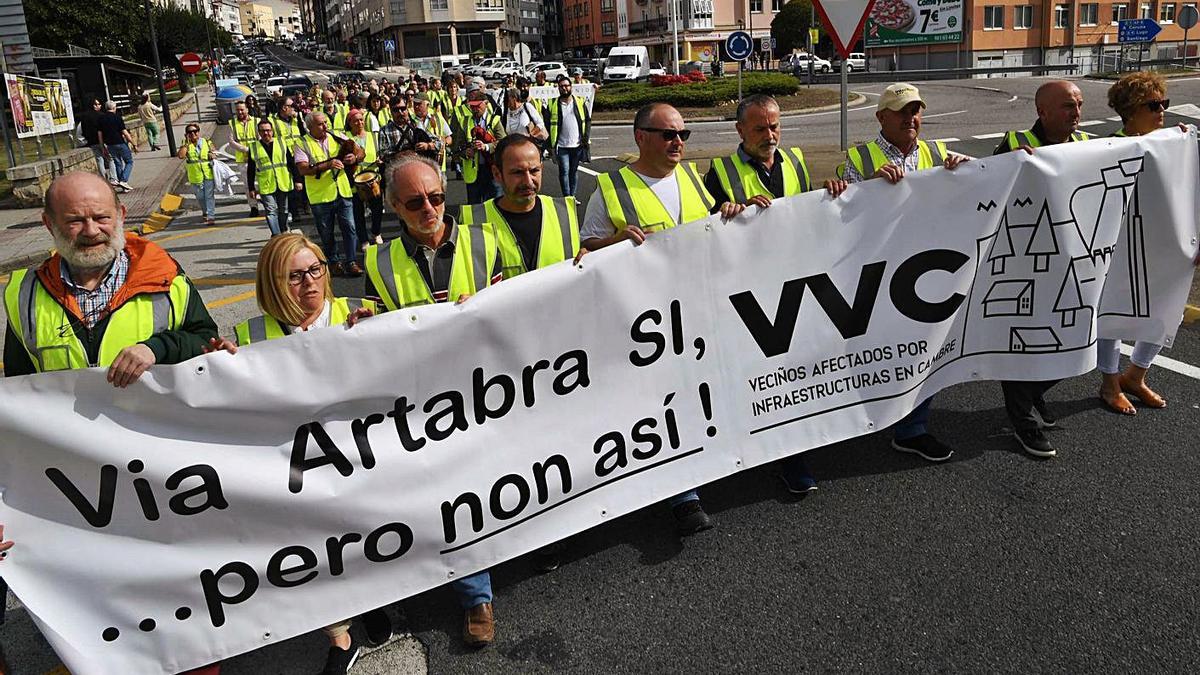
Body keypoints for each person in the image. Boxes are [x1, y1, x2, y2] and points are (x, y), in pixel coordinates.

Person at [581, 102, 745, 535]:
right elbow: (582, 254)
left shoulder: (692, 178)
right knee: (662, 402)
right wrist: (613, 242)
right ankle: (682, 495)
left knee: (698, 391)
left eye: (683, 135)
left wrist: (728, 215)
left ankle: (696, 471)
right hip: (644, 321)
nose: (678, 142)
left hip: (697, 309)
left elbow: (710, 229)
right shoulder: (611, 188)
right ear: (640, 137)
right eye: (669, 134)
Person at [362, 153, 502, 647]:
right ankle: (475, 595)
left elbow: (519, 312)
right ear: (395, 207)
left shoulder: (485, 243)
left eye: (437, 197)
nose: (430, 208)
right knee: (453, 496)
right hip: (425, 404)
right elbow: (372, 333)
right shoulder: (378, 262)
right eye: (416, 202)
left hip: (491, 391)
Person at [705, 93, 847, 493]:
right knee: (760, 373)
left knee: (795, 370)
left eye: (775, 126)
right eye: (760, 128)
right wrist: (726, 213)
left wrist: (831, 191)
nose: (770, 135)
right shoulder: (719, 171)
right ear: (739, 131)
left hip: (795, 283)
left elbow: (811, 210)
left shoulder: (796, 161)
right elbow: (702, 230)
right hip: (748, 291)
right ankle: (768, 450)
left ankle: (795, 454)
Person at [839, 82, 968, 463]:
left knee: (924, 345)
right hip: (876, 268)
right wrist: (865, 188)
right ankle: (865, 412)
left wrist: (964, 172)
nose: (912, 118)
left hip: (925, 270)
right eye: (902, 111)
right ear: (881, 117)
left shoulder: (935, 152)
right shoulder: (860, 157)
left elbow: (970, 190)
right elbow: (837, 214)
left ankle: (913, 427)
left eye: (916, 110)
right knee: (875, 345)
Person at [3, 172, 218, 382]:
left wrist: (157, 348)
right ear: (49, 224)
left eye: (101, 217)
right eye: (75, 221)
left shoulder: (166, 278)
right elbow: (19, 386)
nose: (91, 230)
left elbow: (207, 342)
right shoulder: (24, 293)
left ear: (121, 215)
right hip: (63, 419)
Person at [992, 80, 1095, 458]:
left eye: (1079, 105)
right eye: (1068, 106)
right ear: (1043, 112)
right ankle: (1022, 421)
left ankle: (1034, 392)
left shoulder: (1087, 145)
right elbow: (986, 188)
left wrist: (1176, 142)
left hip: (1071, 260)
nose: (1077, 113)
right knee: (1022, 340)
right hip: (1025, 260)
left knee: (1077, 333)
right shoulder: (1015, 142)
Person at [1096, 72, 1181, 415]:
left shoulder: (1177, 145)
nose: (1161, 111)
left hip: (1163, 242)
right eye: (1153, 105)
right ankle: (1110, 382)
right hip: (1118, 244)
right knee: (1113, 310)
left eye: (1164, 103)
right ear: (1131, 111)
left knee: (1165, 306)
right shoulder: (1106, 148)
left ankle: (1137, 374)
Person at [459, 133, 578, 277]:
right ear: (497, 174)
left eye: (534, 171)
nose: (528, 181)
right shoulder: (473, 222)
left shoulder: (564, 213)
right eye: (517, 173)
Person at [294, 111, 364, 277]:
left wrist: (354, 158)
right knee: (326, 232)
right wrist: (328, 165)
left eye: (326, 122)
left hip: (342, 190)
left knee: (350, 227)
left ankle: (352, 261)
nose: (325, 126)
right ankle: (334, 262)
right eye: (320, 124)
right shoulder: (302, 143)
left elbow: (361, 152)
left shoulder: (336, 136)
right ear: (310, 126)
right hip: (320, 195)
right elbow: (303, 169)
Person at [454, 82, 505, 204]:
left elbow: (503, 143)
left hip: (492, 170)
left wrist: (486, 147)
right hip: (473, 173)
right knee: (474, 207)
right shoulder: (464, 122)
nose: (474, 109)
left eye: (478, 106)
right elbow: (456, 148)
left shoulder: (495, 120)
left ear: (486, 104)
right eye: (472, 106)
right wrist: (465, 152)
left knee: (494, 204)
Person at [247, 118, 300, 237]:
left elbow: (291, 162)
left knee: (284, 210)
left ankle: (284, 229)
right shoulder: (254, 147)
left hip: (283, 181)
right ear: (259, 133)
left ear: (272, 131)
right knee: (271, 211)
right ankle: (276, 235)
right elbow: (250, 169)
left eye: (268, 130)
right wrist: (251, 188)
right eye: (263, 131)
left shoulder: (281, 143)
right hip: (266, 184)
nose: (266, 133)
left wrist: (297, 180)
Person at [346, 109, 385, 247]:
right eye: (356, 120)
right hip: (354, 180)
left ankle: (376, 232)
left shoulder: (373, 136)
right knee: (358, 212)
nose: (360, 122)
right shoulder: (345, 138)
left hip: (372, 177)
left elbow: (380, 152)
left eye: (361, 119)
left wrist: (380, 160)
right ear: (350, 123)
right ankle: (363, 239)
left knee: (377, 208)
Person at [547, 75, 590, 197]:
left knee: (573, 171)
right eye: (561, 86)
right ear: (558, 88)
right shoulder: (553, 104)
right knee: (564, 171)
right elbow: (547, 124)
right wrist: (550, 145)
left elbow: (587, 120)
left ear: (571, 87)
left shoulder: (580, 102)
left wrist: (585, 138)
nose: (564, 88)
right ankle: (567, 197)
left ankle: (572, 196)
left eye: (566, 86)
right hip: (561, 145)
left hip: (577, 144)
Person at [176, 124, 217, 225]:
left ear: (199, 132)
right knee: (200, 197)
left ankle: (210, 215)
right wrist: (186, 143)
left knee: (209, 196)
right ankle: (205, 211)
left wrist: (212, 155)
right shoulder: (185, 144)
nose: (193, 133)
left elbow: (214, 152)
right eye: (190, 132)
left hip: (208, 173)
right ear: (186, 134)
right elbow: (181, 156)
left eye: (195, 131)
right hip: (195, 175)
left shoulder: (206, 142)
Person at [228, 102, 261, 218]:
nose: (240, 112)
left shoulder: (256, 121)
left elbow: (260, 137)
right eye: (237, 110)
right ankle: (253, 207)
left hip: (258, 157)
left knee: (263, 182)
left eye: (242, 110)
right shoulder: (233, 123)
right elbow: (231, 142)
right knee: (248, 185)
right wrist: (246, 149)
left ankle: (267, 204)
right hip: (243, 160)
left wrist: (254, 150)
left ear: (247, 109)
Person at [97, 101, 136, 193]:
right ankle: (123, 180)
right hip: (120, 142)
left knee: (118, 163)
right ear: (114, 108)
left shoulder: (101, 119)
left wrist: (102, 147)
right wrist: (133, 143)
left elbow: (100, 134)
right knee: (129, 161)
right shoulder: (117, 117)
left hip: (110, 145)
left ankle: (123, 186)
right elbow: (124, 132)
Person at [411, 93, 452, 170]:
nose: (416, 107)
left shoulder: (438, 118)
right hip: (417, 166)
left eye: (419, 104)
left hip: (437, 165)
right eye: (414, 104)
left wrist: (439, 145)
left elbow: (449, 138)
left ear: (427, 104)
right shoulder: (410, 120)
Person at [79, 98, 116, 183]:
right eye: (98, 104)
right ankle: (113, 178)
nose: (100, 106)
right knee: (110, 159)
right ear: (93, 105)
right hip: (103, 141)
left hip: (92, 141)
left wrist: (87, 138)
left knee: (99, 159)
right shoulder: (101, 116)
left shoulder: (84, 117)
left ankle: (103, 178)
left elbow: (83, 130)